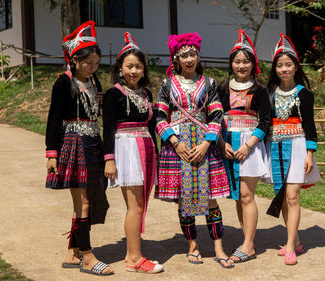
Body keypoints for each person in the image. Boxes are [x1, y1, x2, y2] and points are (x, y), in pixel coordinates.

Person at [154, 32, 234, 269]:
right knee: (184, 201)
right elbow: (159, 117)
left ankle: (219, 247)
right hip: (177, 147)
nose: (189, 59)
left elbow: (217, 115)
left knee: (210, 200)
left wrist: (207, 143)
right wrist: (175, 142)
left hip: (204, 147)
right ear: (176, 59)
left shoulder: (209, 84)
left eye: (193, 54)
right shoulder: (167, 85)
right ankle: (193, 246)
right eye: (184, 55)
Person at [45, 21, 113, 276]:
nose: (92, 67)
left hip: (92, 144)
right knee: (83, 202)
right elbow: (53, 119)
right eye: (87, 63)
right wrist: (51, 153)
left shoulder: (93, 83)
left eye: (95, 64)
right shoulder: (64, 82)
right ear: (74, 60)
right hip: (73, 145)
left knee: (87, 200)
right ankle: (87, 257)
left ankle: (73, 252)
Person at [102, 32, 163, 273]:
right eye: (129, 66)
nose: (134, 71)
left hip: (146, 149)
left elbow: (150, 127)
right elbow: (107, 129)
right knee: (135, 206)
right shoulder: (113, 94)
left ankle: (131, 255)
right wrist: (109, 160)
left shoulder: (146, 94)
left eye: (138, 66)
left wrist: (156, 156)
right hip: (126, 149)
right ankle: (135, 259)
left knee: (140, 205)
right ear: (120, 68)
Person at [265, 33, 321, 265]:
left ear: (296, 67)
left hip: (298, 147)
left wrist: (310, 153)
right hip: (275, 146)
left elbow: (310, 125)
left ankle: (289, 246)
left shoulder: (304, 94)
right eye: (280, 65)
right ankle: (295, 240)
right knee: (283, 196)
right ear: (275, 69)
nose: (284, 69)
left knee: (292, 195)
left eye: (288, 65)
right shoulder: (267, 93)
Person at [217, 29, 270, 263]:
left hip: (250, 146)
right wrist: (221, 142)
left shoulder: (260, 90)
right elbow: (215, 117)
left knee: (247, 195)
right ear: (231, 64)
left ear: (253, 64)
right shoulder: (221, 88)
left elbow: (266, 121)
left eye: (246, 61)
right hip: (228, 144)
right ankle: (246, 239)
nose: (241, 65)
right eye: (237, 61)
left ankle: (248, 245)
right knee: (238, 196)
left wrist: (248, 146)